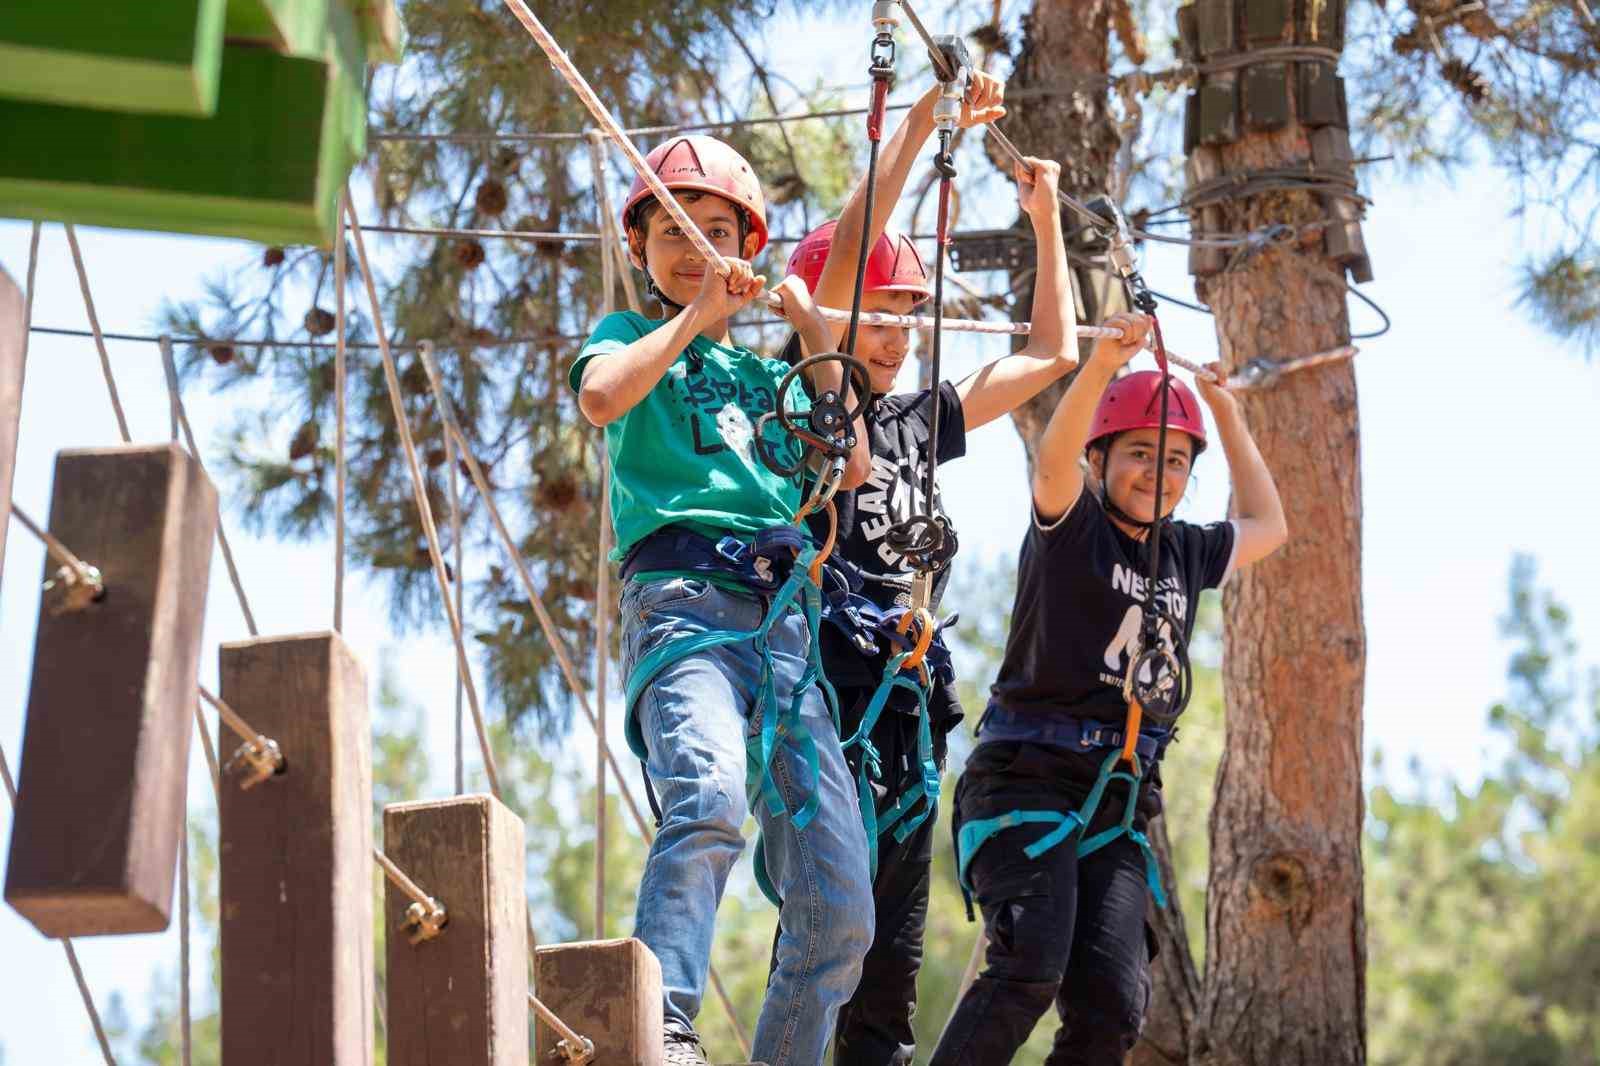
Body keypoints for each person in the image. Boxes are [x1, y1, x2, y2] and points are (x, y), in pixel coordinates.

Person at [781, 73, 1084, 1066]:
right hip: (830, 681)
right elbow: (830, 288)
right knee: (836, 931)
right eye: (880, 311)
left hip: (907, 701)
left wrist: (1042, 222)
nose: (899, 329)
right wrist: (920, 124)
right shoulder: (806, 409)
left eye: (910, 312)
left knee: (892, 974)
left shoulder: (920, 419)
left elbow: (1049, 351)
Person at [571, 133, 876, 1066]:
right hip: (685, 607)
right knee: (707, 794)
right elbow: (600, 398)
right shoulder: (630, 337)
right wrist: (701, 308)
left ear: (747, 243)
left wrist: (818, 336)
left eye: (713, 231)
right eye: (672, 232)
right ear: (640, 250)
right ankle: (657, 1024)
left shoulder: (763, 379)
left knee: (841, 906)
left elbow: (851, 463)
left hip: (782, 628)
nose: (693, 248)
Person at [928, 314, 1289, 1065]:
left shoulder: (1186, 552)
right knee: (1029, 967)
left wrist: (1224, 414)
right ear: (1101, 459)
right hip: (1026, 779)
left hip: (1115, 803)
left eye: (1176, 462)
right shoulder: (1075, 525)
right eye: (1137, 454)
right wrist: (1098, 369)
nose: (1156, 472)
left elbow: (1268, 523)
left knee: (1114, 1007)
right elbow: (1051, 465)